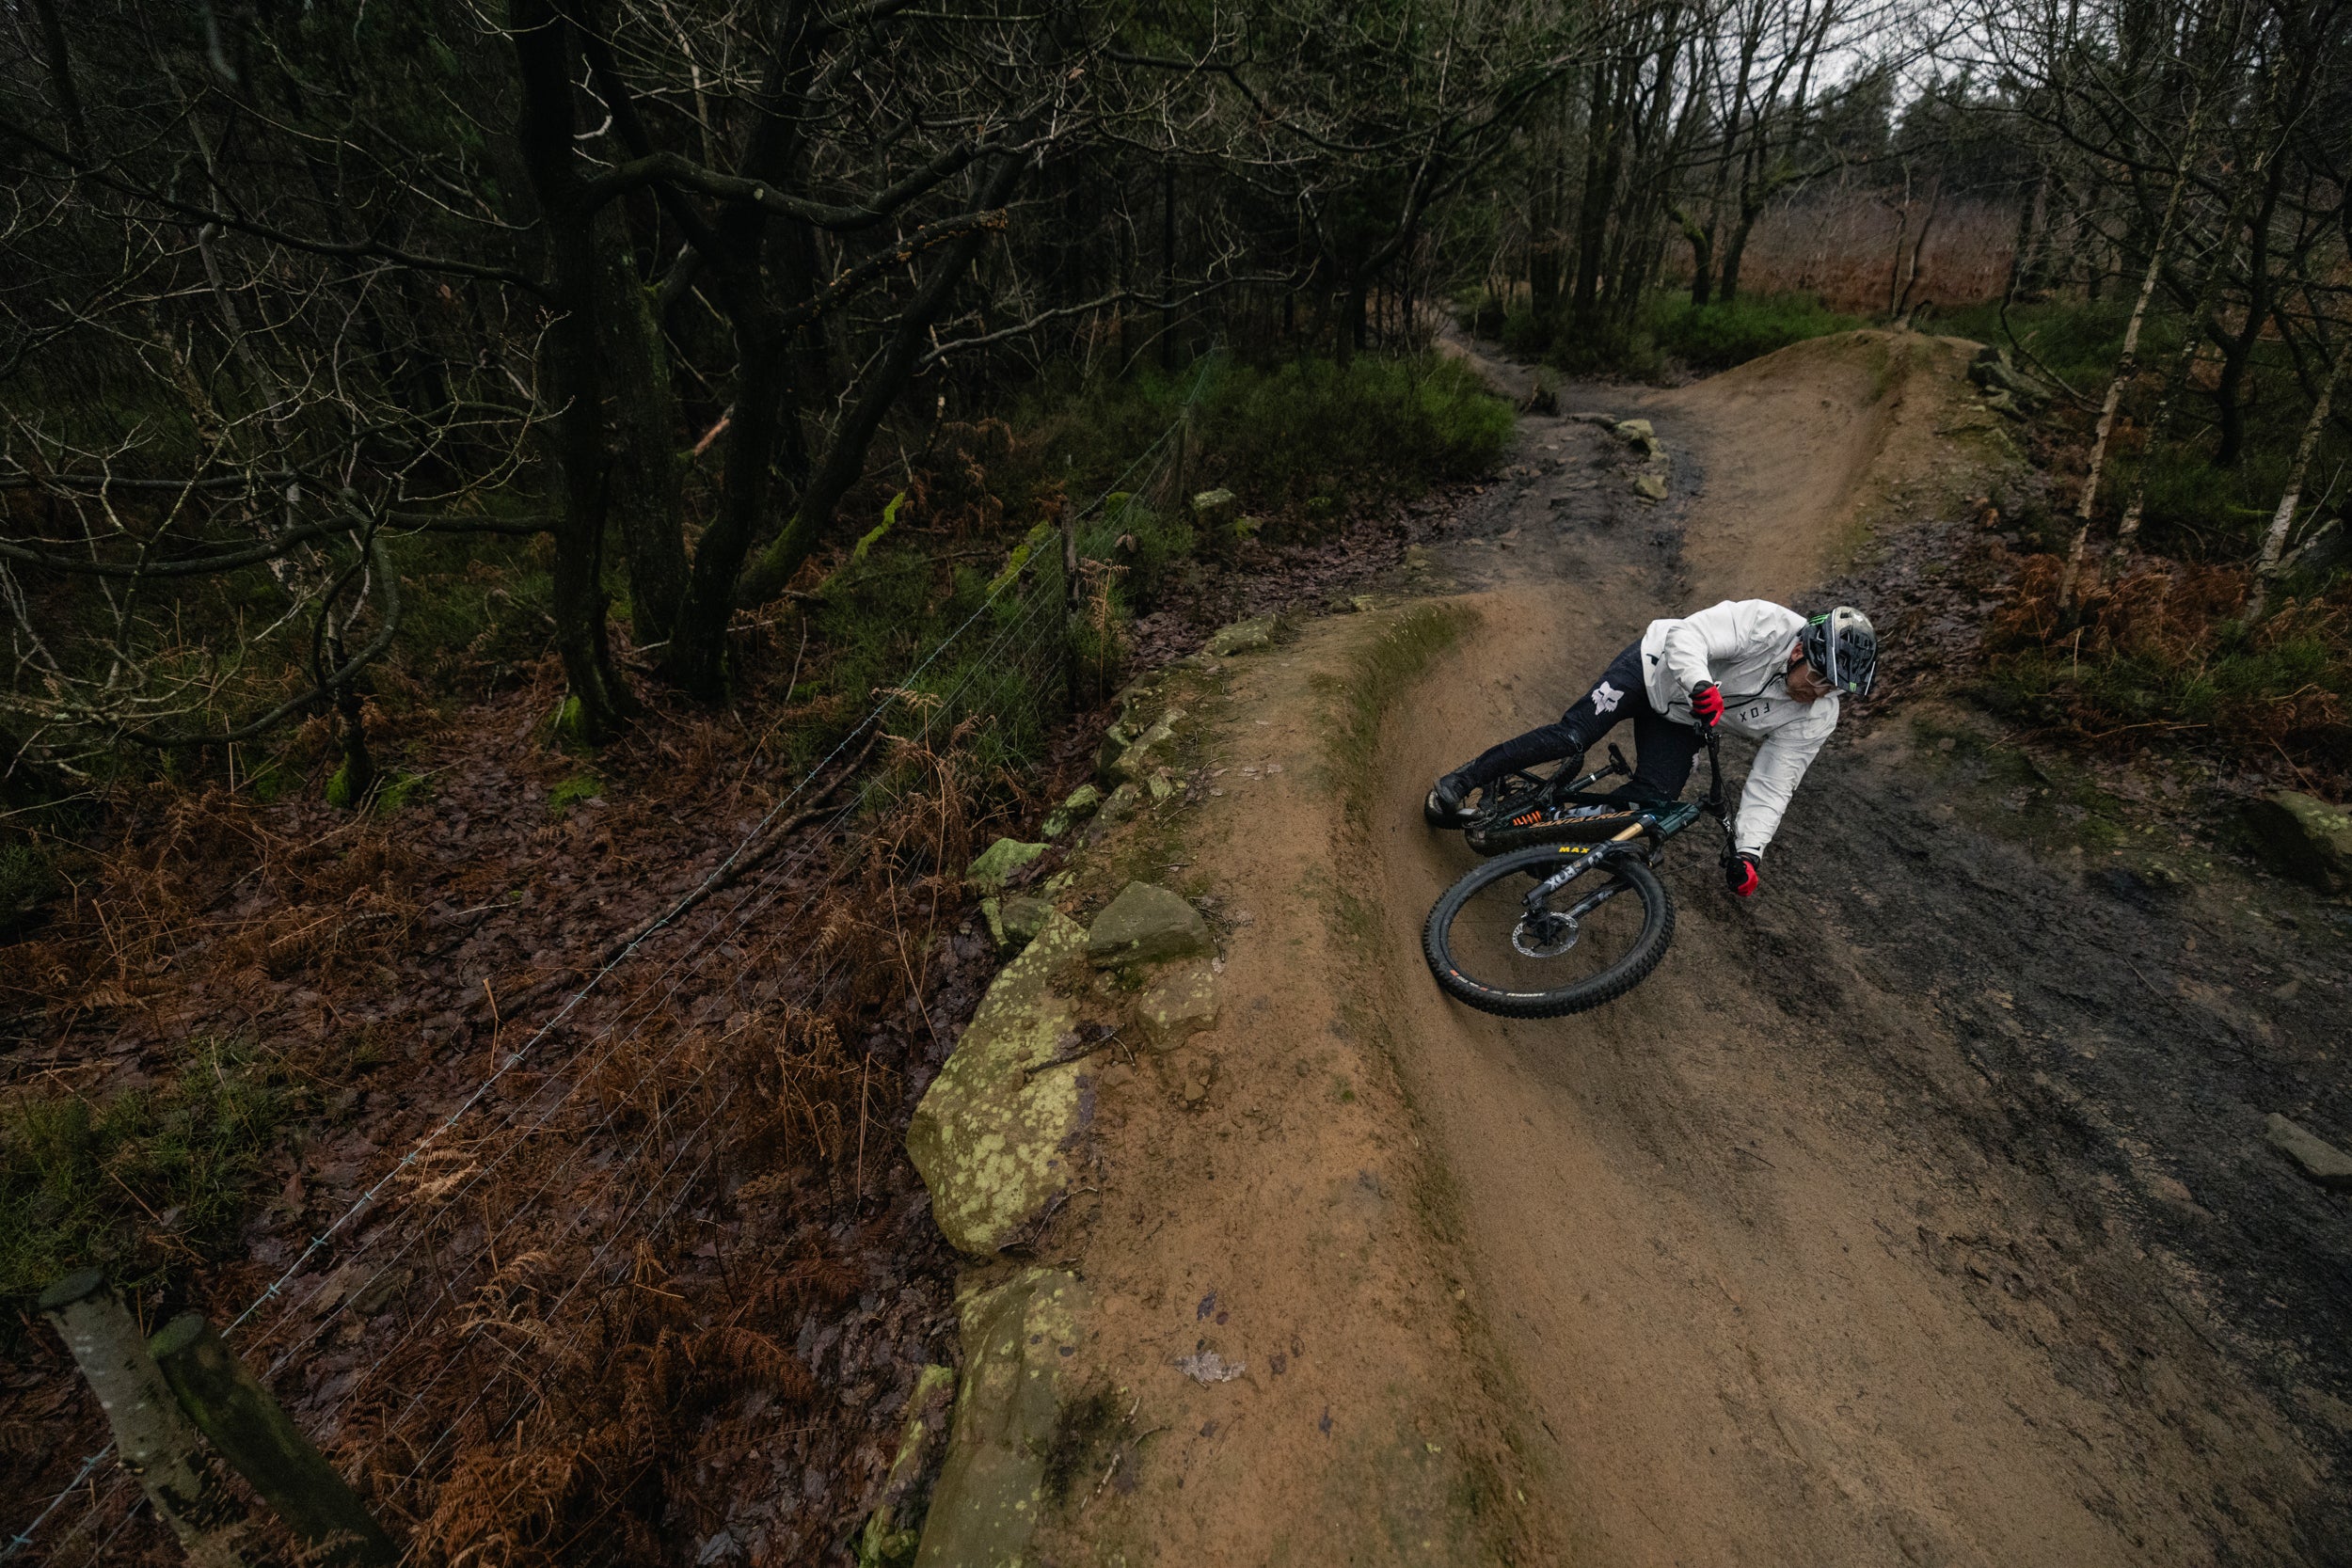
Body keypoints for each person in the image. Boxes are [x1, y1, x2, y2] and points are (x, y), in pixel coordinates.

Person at [1425, 602, 1878, 898]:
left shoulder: (1818, 714)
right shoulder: (1766, 623)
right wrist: (1699, 683)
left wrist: (1749, 851)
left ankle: (1547, 840)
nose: (1819, 692)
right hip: (1652, 670)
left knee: (1648, 808)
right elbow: (1688, 634)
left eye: (1835, 688)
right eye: (1819, 678)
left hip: (1682, 721)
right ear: (1799, 650)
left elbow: (1776, 783)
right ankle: (1463, 780)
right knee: (1573, 737)